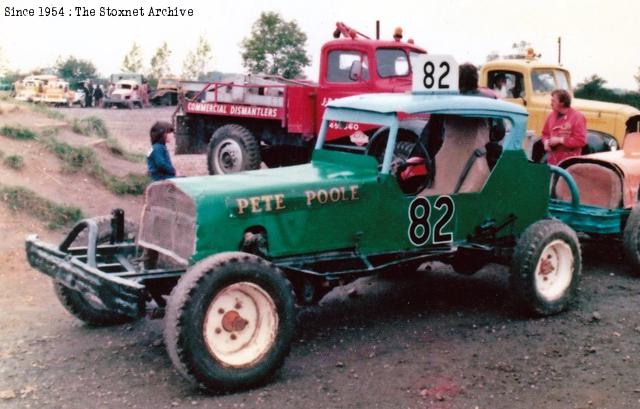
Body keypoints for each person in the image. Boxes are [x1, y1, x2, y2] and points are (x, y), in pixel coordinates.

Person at [541, 89, 586, 165]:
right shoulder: (551, 115)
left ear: (562, 103)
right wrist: (545, 142)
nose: (551, 103)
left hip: (569, 163)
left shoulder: (578, 117)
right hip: (552, 160)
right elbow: (545, 134)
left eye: (553, 101)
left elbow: (581, 141)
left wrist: (560, 140)